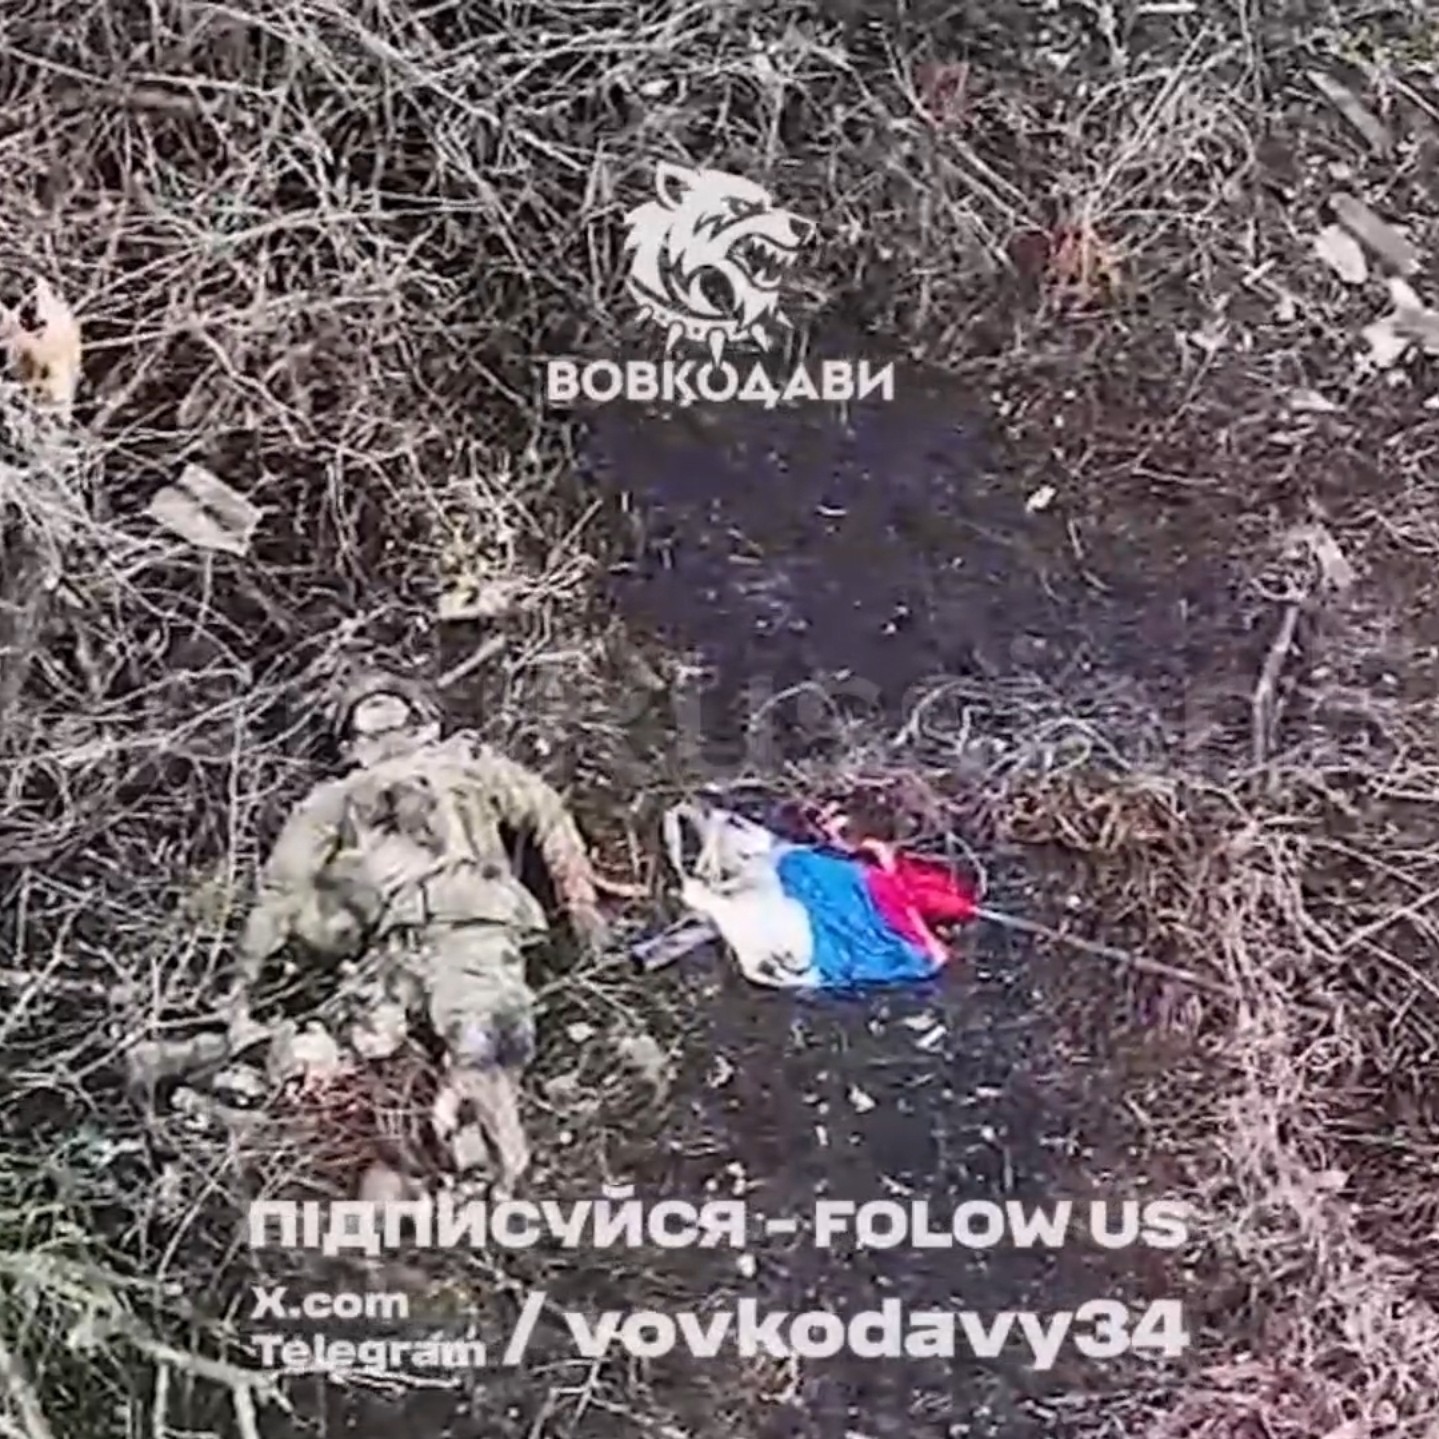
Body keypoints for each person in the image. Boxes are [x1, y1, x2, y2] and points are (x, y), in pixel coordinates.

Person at [224, 666, 607, 1192]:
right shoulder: (337, 798)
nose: (385, 734)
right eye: (370, 725)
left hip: (471, 926)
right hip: (394, 948)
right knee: (334, 1060)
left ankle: (493, 1182)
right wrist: (244, 985)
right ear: (351, 747)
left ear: (426, 726)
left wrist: (579, 896)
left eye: (395, 718)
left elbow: (546, 812)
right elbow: (281, 889)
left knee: (483, 1055)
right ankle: (439, 1174)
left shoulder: (466, 764)